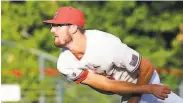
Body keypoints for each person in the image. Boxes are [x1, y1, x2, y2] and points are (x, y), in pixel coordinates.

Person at [43, 6, 183, 103]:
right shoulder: (65, 63)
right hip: (133, 92)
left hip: (146, 81)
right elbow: (106, 85)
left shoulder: (104, 44)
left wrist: (144, 91)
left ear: (73, 27)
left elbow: (146, 67)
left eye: (58, 25)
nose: (52, 30)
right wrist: (136, 96)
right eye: (52, 26)